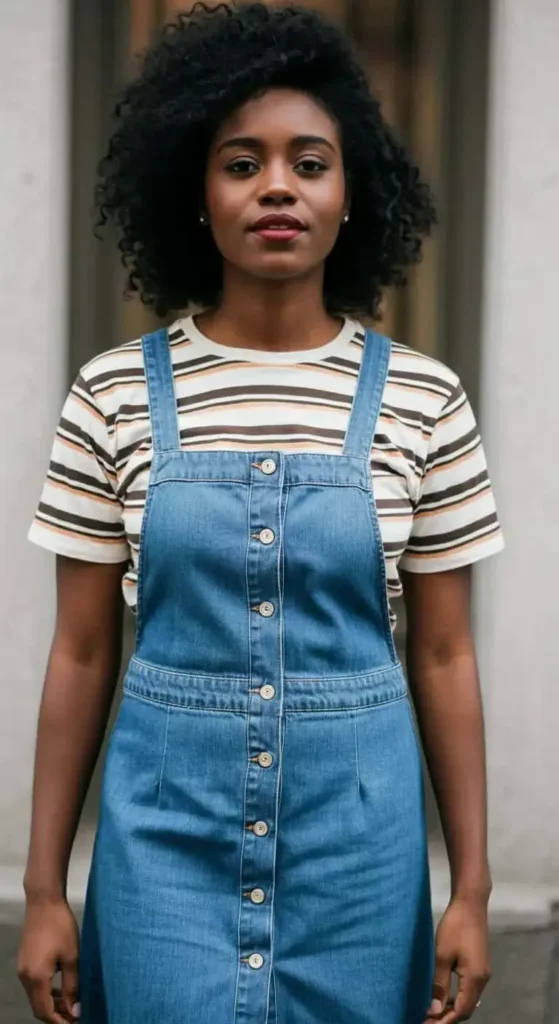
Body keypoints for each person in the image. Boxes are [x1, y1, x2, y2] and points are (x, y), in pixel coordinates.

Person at [18, 3, 504, 1022]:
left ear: (349, 195)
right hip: (162, 847)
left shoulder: (426, 401)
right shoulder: (111, 395)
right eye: (241, 164)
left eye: (309, 163)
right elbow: (82, 653)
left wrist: (470, 888)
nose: (276, 185)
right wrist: (44, 888)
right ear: (192, 194)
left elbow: (444, 655)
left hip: (360, 859)